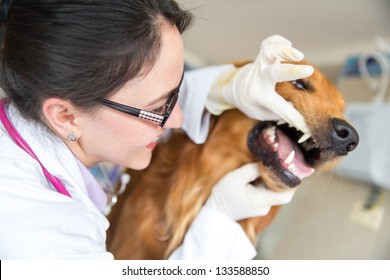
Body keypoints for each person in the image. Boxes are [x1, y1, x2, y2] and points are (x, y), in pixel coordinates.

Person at [0, 0, 313, 259]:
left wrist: (224, 87)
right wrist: (220, 223)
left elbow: (135, 95)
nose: (176, 118)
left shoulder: (43, 114)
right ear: (65, 116)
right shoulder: (41, 238)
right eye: (158, 107)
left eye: (176, 93)